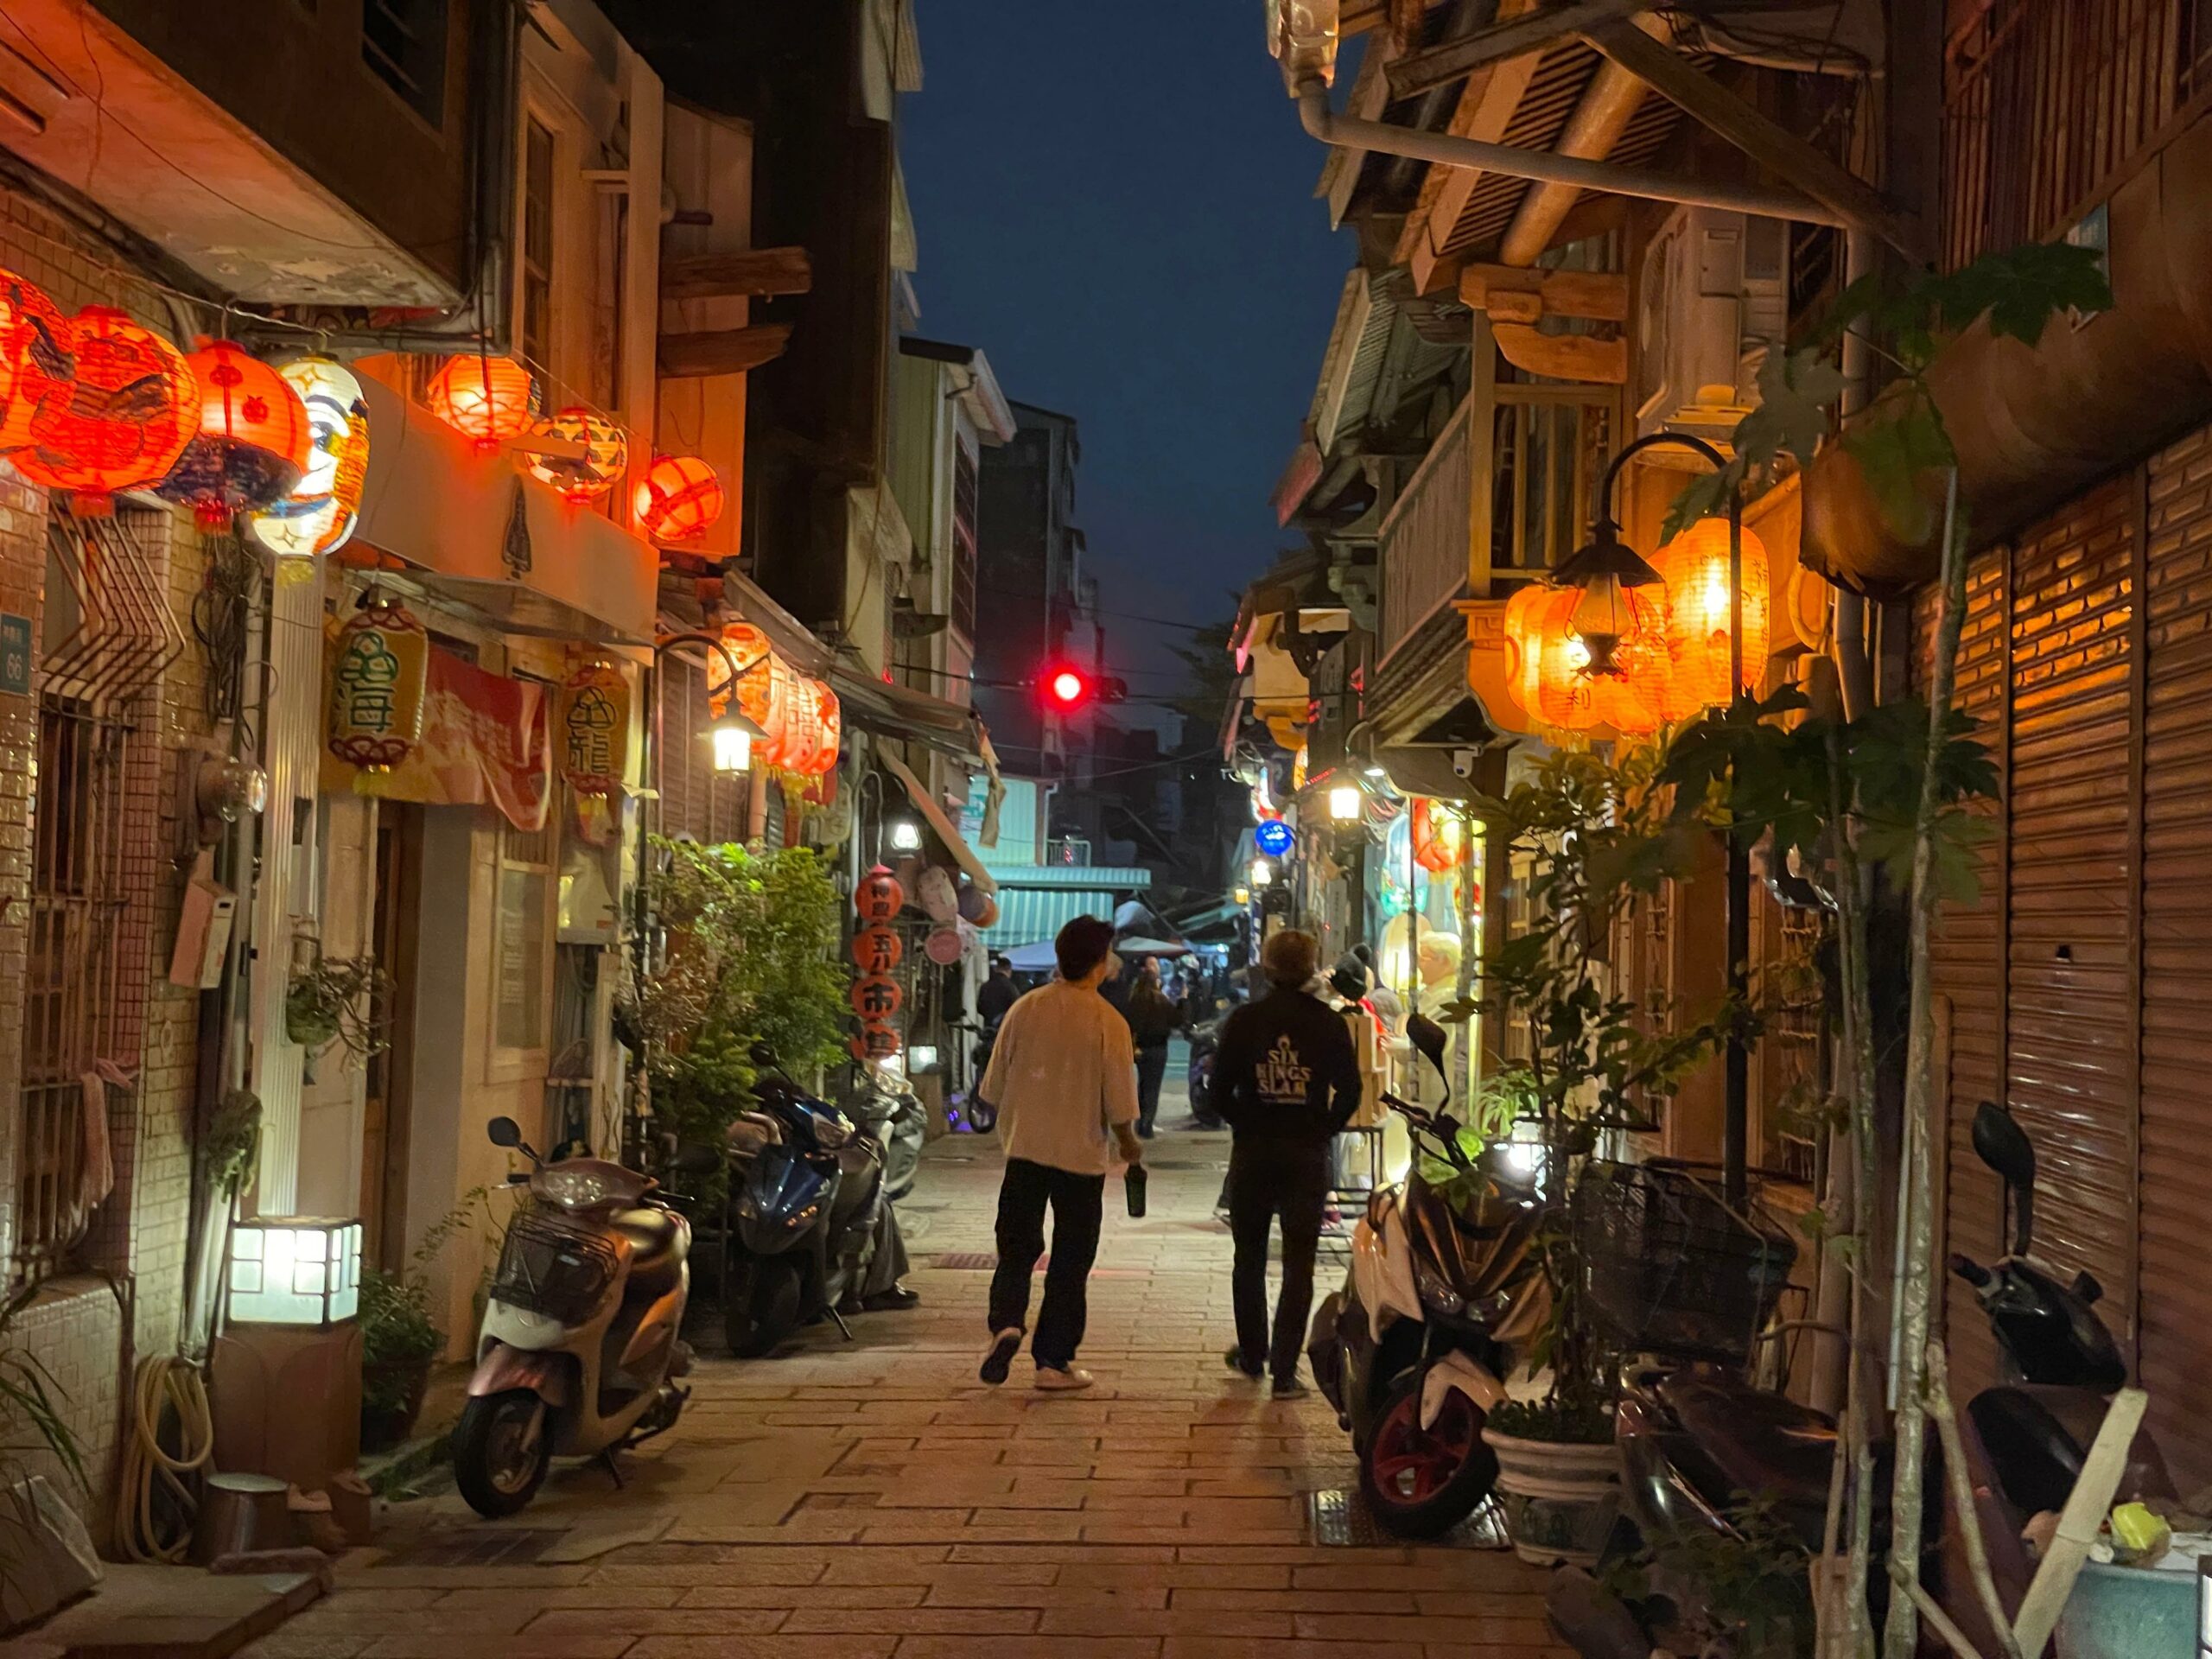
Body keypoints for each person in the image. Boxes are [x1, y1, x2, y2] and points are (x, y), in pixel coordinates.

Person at [976, 916, 1143, 1392]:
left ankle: (1006, 1323)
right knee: (1071, 1258)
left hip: (1024, 1149)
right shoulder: (1109, 1022)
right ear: (1099, 962)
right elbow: (1120, 1102)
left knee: (1016, 1248)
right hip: (1081, 1159)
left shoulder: (1025, 1008)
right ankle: (1052, 1361)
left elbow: (992, 1088)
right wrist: (1129, 1144)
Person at [1211, 929, 1361, 1397]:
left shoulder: (1245, 1020)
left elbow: (1218, 1090)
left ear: (1268, 967)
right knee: (1300, 1263)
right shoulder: (1328, 1023)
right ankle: (1283, 1370)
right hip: (1305, 1154)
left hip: (1254, 1152)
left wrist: (1246, 1122)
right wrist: (1322, 1128)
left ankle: (1252, 1353)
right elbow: (1350, 1090)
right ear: (1312, 968)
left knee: (1248, 1257)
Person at [1123, 957, 1180, 1138]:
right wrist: (1184, 1000)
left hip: (1140, 1048)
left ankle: (1139, 1122)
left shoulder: (1134, 1000)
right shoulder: (1161, 1000)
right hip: (1157, 1048)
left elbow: (1128, 1023)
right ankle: (1146, 1125)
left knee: (1142, 1084)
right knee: (1152, 1088)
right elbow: (1177, 1019)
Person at [977, 955, 1019, 1027]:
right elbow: (1016, 1006)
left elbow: (979, 1008)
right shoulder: (1010, 987)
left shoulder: (985, 986)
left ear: (996, 969)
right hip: (1005, 1027)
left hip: (988, 1027)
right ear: (1009, 970)